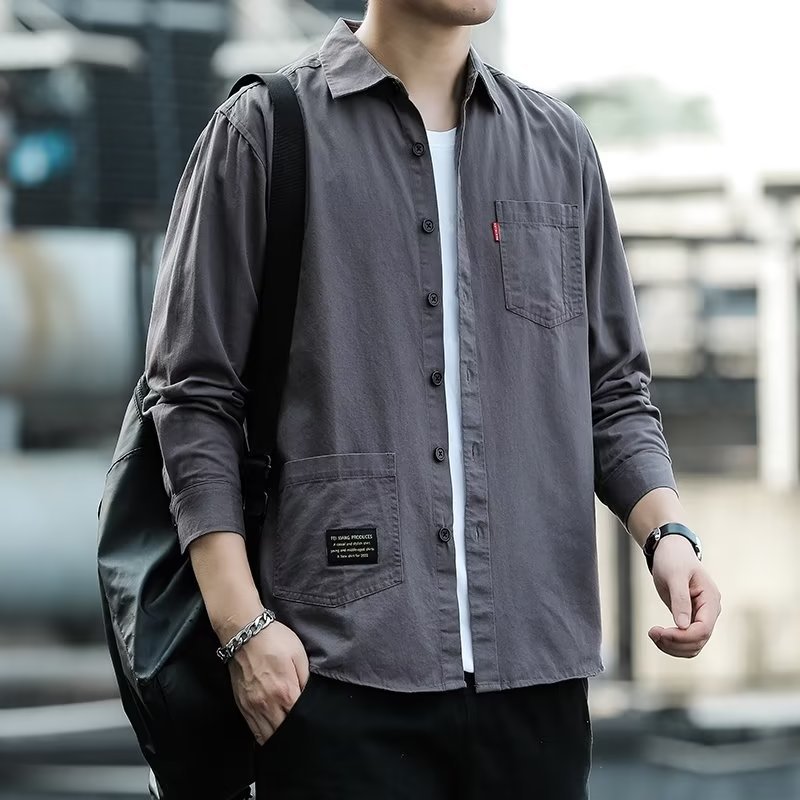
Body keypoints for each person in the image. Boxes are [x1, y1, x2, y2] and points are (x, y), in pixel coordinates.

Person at [142, 2, 723, 798]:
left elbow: (614, 391)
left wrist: (669, 536)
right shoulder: (263, 132)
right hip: (334, 671)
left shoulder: (558, 146)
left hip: (537, 675)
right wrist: (243, 628)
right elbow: (192, 396)